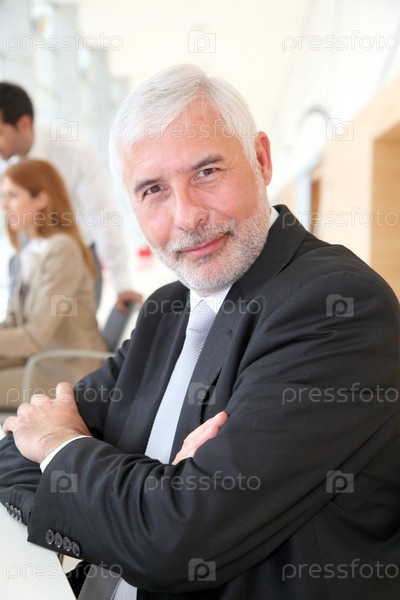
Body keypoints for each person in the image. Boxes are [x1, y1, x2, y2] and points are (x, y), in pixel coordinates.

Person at [0, 64, 399, 600]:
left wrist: (60, 445)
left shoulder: (334, 307)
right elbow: (11, 458)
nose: (186, 217)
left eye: (207, 171)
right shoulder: (166, 309)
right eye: (153, 190)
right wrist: (150, 491)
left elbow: (173, 542)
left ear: (261, 160)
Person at [0, 82, 143, 311]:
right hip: (29, 258)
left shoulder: (72, 150)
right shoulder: (5, 158)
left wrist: (122, 282)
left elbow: (102, 215)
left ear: (24, 124)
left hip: (77, 258)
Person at [0, 159, 107, 407]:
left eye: (12, 196)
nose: (4, 205)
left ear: (41, 199)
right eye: (3, 197)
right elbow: (14, 322)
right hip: (39, 359)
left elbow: (34, 337)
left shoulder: (62, 250)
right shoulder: (32, 250)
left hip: (64, 371)